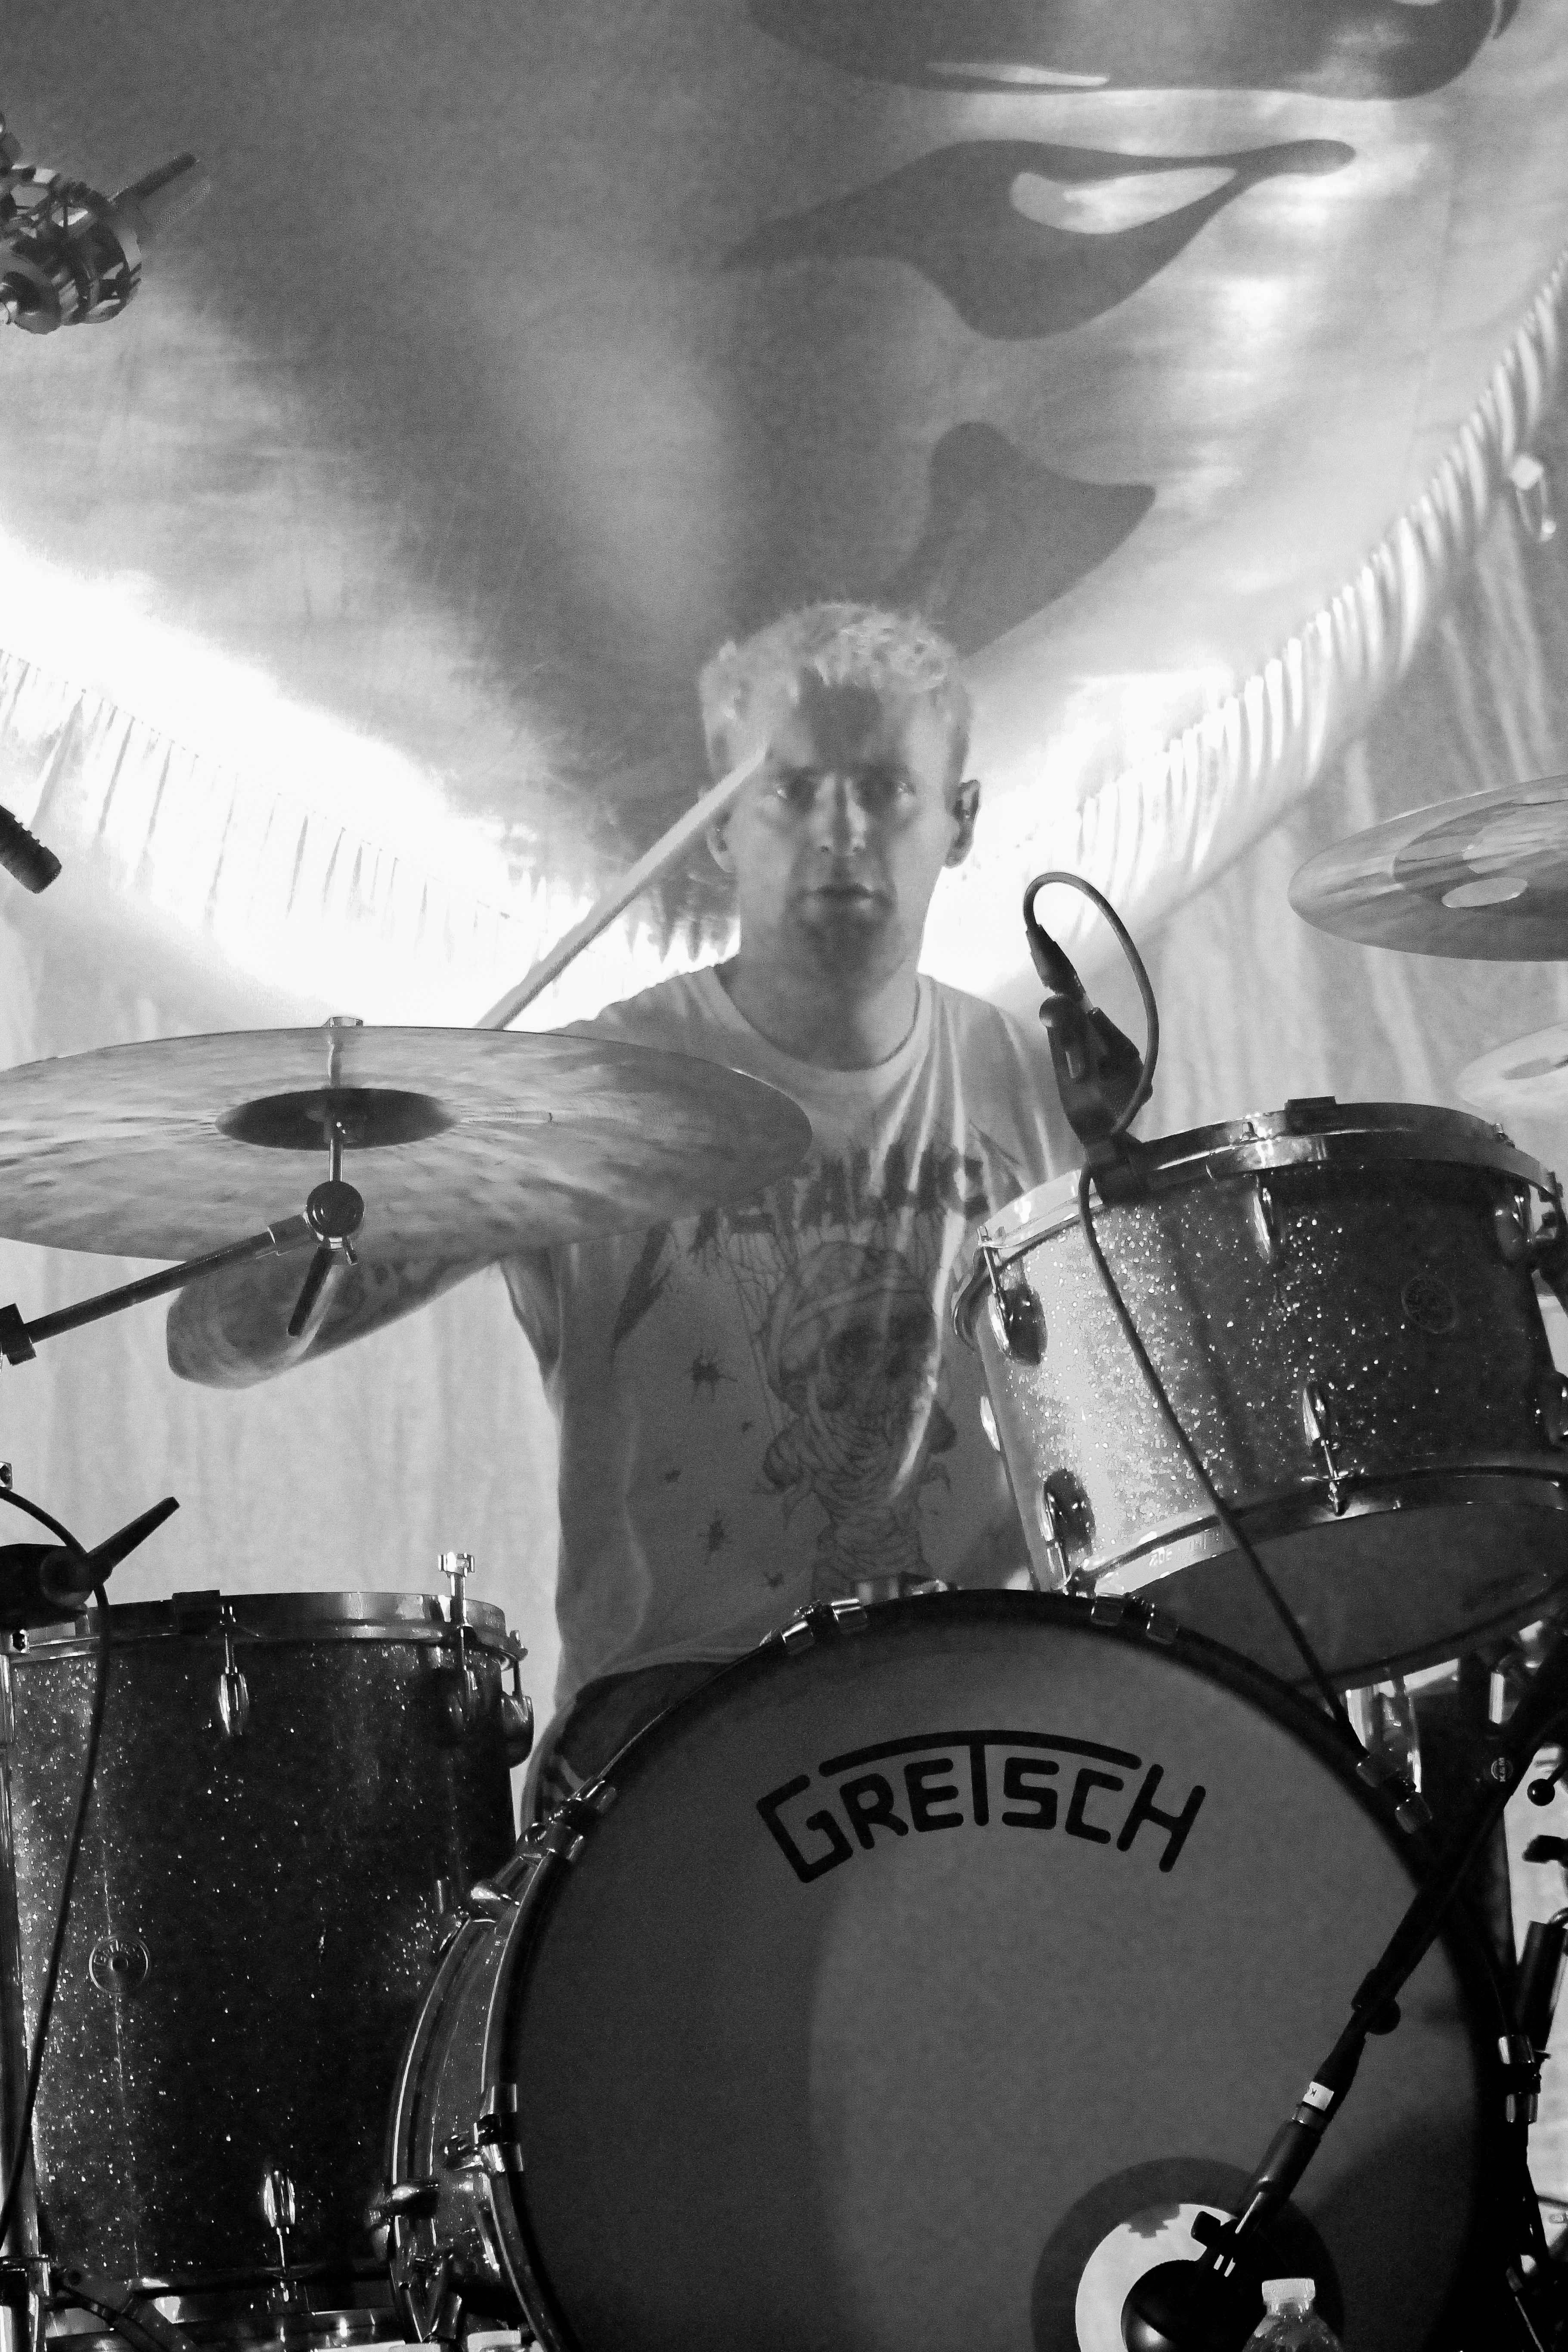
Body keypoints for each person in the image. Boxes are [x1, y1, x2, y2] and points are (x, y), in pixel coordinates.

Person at [167, 602, 1069, 1809]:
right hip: (672, 1743)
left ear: (960, 819)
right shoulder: (590, 1094)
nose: (840, 831)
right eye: (792, 789)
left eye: (883, 788)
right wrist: (389, 1173)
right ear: (717, 826)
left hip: (983, 1725)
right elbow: (213, 1336)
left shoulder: (1041, 1085)